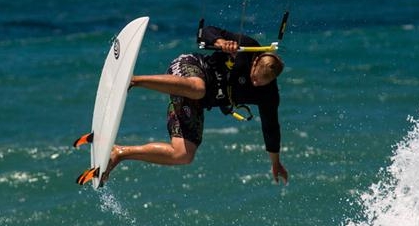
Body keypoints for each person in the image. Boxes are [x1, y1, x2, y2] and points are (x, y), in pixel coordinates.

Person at [101, 25, 288, 184]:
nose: (255, 84)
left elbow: (271, 127)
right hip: (192, 67)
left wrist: (275, 161)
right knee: (199, 88)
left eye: (261, 83)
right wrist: (220, 43)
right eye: (254, 78)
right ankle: (132, 80)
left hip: (196, 100)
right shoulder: (249, 46)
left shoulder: (269, 94)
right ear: (255, 63)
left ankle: (119, 153)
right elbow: (205, 31)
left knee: (183, 154)